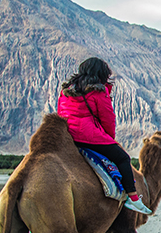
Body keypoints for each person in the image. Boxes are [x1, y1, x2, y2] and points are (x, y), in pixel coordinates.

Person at [57, 57, 153, 214]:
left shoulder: (65, 91)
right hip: (89, 137)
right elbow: (108, 120)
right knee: (123, 158)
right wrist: (109, 139)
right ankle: (133, 198)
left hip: (67, 136)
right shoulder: (98, 92)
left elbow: (61, 113)